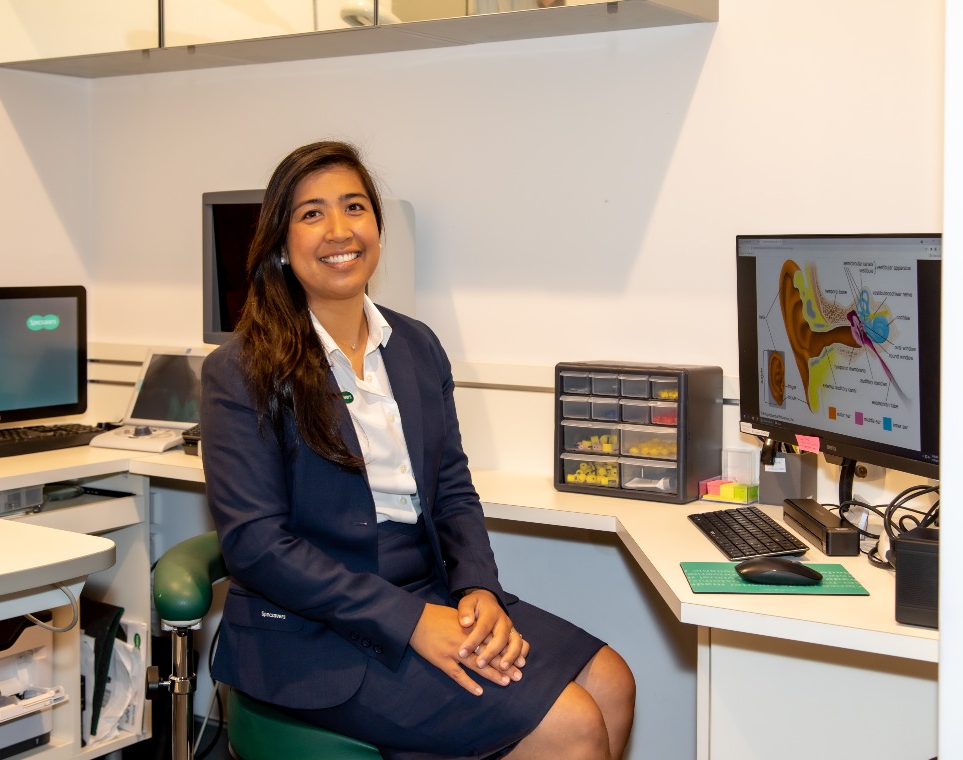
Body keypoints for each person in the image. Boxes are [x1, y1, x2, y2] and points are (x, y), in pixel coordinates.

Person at [201, 141, 636, 760]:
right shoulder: (241, 368)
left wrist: (478, 589)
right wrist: (409, 622)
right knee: (572, 725)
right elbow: (257, 546)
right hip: (313, 632)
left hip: (430, 593)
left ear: (377, 227)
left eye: (354, 207)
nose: (339, 229)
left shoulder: (416, 345)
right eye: (312, 213)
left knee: (611, 681)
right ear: (280, 241)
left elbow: (452, 487)